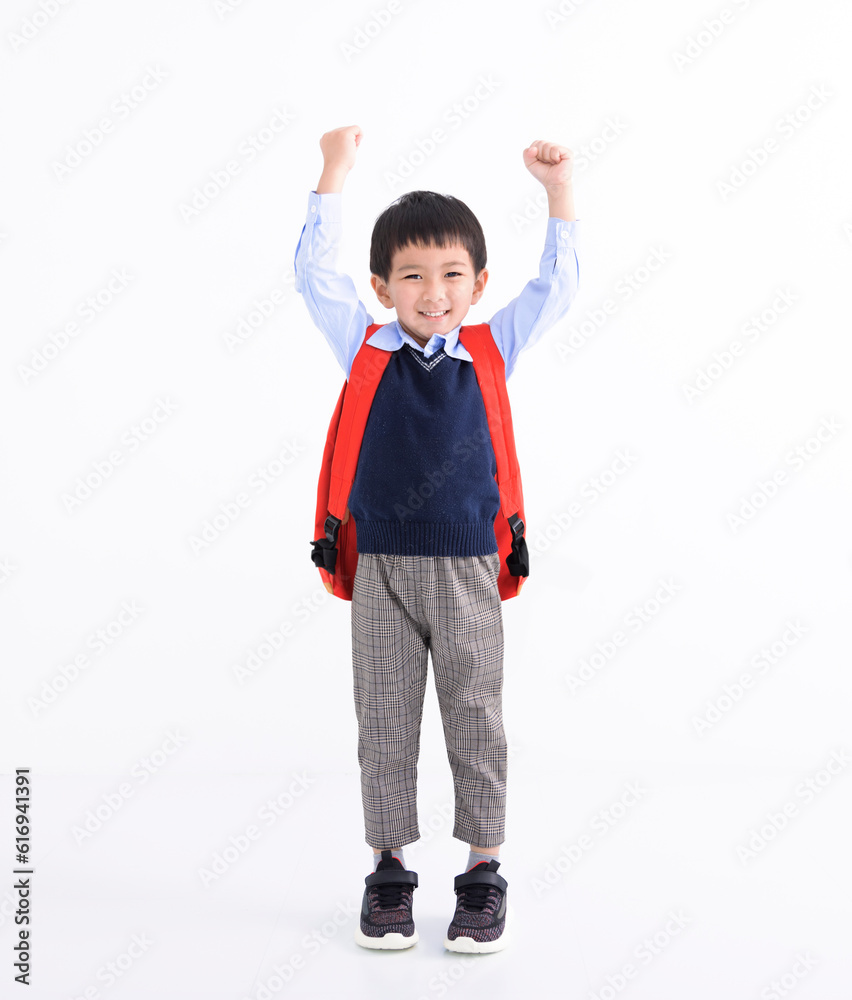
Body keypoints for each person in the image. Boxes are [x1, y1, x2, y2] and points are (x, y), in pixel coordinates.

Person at [294, 124, 580, 953]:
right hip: (379, 562)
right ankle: (388, 870)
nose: (433, 291)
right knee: (382, 721)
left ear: (479, 282)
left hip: (468, 565)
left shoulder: (492, 349)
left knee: (475, 717)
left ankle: (483, 873)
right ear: (382, 287)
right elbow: (314, 275)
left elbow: (556, 288)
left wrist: (558, 196)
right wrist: (332, 174)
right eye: (412, 276)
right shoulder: (365, 349)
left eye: (452, 274)